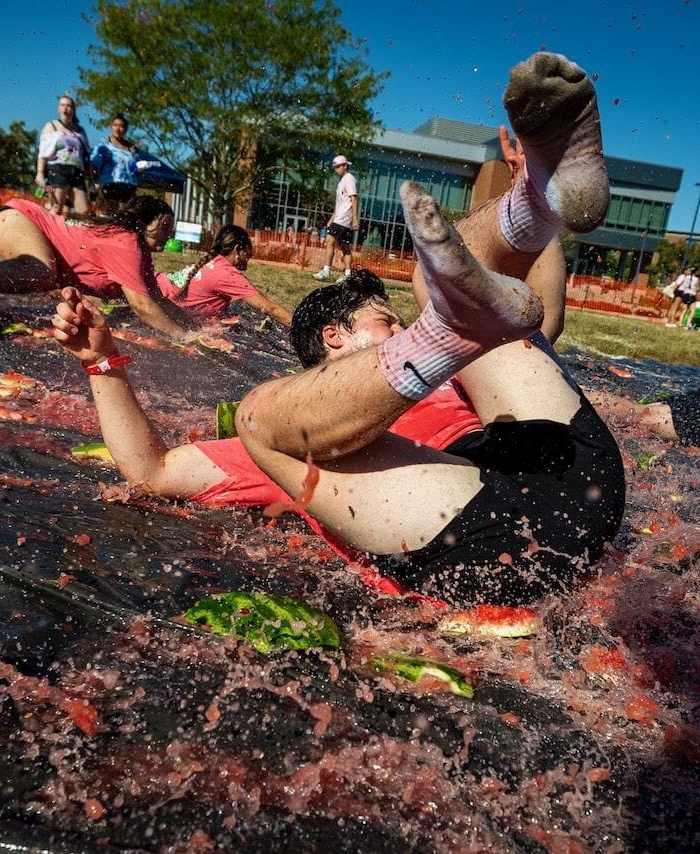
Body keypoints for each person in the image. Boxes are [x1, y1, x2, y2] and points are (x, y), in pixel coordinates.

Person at [52, 53, 625, 605]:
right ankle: (453, 314)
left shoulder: (456, 380)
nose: (397, 321)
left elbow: (542, 317)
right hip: (482, 531)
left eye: (402, 324)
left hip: (563, 482)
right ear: (334, 337)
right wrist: (99, 359)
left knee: (432, 292)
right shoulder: (304, 438)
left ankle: (537, 199)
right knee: (267, 415)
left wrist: (530, 170)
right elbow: (151, 471)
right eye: (385, 320)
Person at [0, 195, 192, 339]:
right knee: (42, 273)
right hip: (20, 220)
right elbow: (143, 307)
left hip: (16, 228)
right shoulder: (126, 243)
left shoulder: (139, 254)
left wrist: (193, 324)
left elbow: (155, 300)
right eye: (165, 225)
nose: (169, 235)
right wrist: (184, 337)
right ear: (142, 221)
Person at [157, 226, 293, 325]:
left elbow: (262, 298)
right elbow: (270, 308)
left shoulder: (213, 261)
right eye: (248, 251)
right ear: (238, 250)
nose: (249, 257)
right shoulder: (227, 275)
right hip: (155, 302)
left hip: (157, 286)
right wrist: (300, 328)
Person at [37, 95, 91, 216]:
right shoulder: (51, 126)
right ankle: (45, 232)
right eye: (62, 105)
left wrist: (91, 178)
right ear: (58, 108)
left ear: (73, 109)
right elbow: (42, 153)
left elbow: (86, 156)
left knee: (85, 212)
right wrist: (40, 173)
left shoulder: (80, 130)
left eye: (69, 105)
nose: (66, 108)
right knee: (56, 208)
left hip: (77, 170)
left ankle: (80, 234)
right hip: (58, 169)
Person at [312, 155, 359, 282]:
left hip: (344, 218)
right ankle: (348, 275)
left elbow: (354, 199)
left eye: (338, 166)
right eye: (335, 167)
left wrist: (355, 218)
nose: (336, 169)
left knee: (329, 241)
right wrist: (332, 218)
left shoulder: (349, 179)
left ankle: (327, 271)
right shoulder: (342, 181)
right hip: (340, 217)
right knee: (345, 247)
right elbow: (340, 203)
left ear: (345, 166)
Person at [90, 113, 138, 213]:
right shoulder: (104, 145)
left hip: (128, 186)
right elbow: (94, 165)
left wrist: (138, 167)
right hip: (109, 184)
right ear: (111, 127)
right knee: (109, 213)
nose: (117, 128)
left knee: (128, 214)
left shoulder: (131, 149)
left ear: (125, 129)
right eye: (115, 125)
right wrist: (96, 182)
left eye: (121, 126)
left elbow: (134, 170)